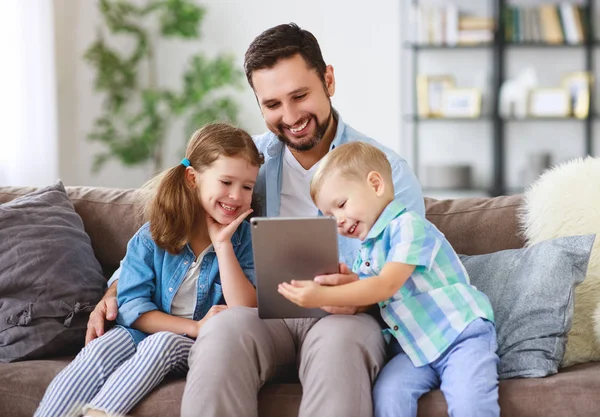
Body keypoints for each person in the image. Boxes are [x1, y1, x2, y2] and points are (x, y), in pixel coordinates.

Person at [87, 23, 425, 417]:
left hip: (345, 318)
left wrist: (363, 295)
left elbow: (413, 275)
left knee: (340, 346)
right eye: (273, 105)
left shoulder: (386, 173)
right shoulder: (249, 165)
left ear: (328, 80)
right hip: (262, 317)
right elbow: (181, 225)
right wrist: (114, 290)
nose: (292, 116)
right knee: (220, 332)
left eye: (300, 95)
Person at [35, 123, 263, 417]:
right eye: (226, 182)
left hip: (193, 345)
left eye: (247, 186)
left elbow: (245, 307)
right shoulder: (153, 234)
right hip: (146, 331)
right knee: (99, 351)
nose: (236, 195)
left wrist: (223, 246)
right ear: (193, 178)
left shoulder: (245, 240)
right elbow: (131, 306)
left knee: (163, 343)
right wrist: (194, 325)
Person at [279, 141, 500, 417]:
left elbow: (385, 285)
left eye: (342, 205)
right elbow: (365, 300)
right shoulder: (367, 251)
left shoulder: (408, 226)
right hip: (413, 347)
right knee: (388, 396)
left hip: (458, 335)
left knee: (471, 403)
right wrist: (342, 285)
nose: (337, 220)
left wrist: (322, 296)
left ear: (375, 184)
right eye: (329, 215)